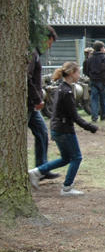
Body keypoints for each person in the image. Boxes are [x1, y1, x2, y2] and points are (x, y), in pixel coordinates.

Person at [28, 62, 98, 195]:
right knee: (76, 157)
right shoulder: (67, 91)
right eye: (78, 72)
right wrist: (90, 127)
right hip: (64, 129)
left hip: (58, 128)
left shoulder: (62, 88)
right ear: (72, 73)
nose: (79, 75)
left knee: (66, 158)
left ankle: (36, 172)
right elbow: (75, 116)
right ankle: (67, 187)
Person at [27, 26, 59, 180]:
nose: (49, 46)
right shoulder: (32, 54)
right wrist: (37, 99)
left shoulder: (36, 55)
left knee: (42, 133)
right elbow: (27, 78)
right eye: (49, 42)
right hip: (28, 105)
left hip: (32, 106)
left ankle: (41, 169)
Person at [84, 41, 105, 123]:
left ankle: (94, 117)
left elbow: (86, 70)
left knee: (94, 99)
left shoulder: (90, 58)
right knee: (103, 99)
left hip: (93, 80)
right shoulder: (104, 58)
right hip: (102, 81)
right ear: (101, 48)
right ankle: (103, 116)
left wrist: (90, 76)